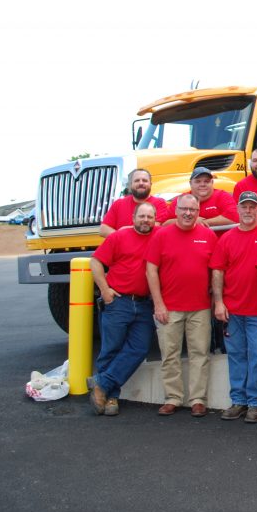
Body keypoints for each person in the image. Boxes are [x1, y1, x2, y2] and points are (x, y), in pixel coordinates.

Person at [209, 191, 257, 424]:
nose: (248, 211)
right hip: (233, 310)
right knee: (237, 355)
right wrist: (219, 302)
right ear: (237, 210)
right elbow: (217, 271)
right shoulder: (227, 238)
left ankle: (255, 404)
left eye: (252, 207)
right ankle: (238, 400)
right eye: (244, 207)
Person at [145, 193, 218, 416]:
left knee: (200, 354)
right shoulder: (161, 235)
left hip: (200, 307)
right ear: (175, 211)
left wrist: (216, 301)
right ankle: (173, 397)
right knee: (170, 354)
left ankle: (197, 399)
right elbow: (151, 270)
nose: (188, 213)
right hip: (169, 307)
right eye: (184, 209)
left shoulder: (208, 236)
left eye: (193, 210)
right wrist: (158, 304)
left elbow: (216, 271)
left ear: (198, 212)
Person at [86, 202, 159, 416]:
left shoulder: (160, 236)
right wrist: (105, 290)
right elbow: (95, 262)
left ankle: (101, 384)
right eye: (141, 216)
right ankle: (111, 398)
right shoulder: (119, 237)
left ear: (155, 219)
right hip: (119, 302)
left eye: (150, 217)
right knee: (111, 349)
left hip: (145, 304)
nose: (145, 220)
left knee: (140, 347)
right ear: (133, 218)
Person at [99, 168, 168, 236]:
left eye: (144, 180)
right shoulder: (119, 204)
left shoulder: (159, 203)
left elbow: (151, 227)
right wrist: (121, 238)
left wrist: (124, 230)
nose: (141, 183)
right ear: (131, 185)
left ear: (150, 184)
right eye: (137, 180)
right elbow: (103, 229)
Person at [163, 167, 238, 226]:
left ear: (212, 182)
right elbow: (165, 224)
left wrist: (203, 222)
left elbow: (234, 218)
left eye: (206, 181)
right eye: (198, 181)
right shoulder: (181, 200)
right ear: (190, 183)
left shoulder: (222, 196)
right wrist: (192, 221)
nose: (202, 184)